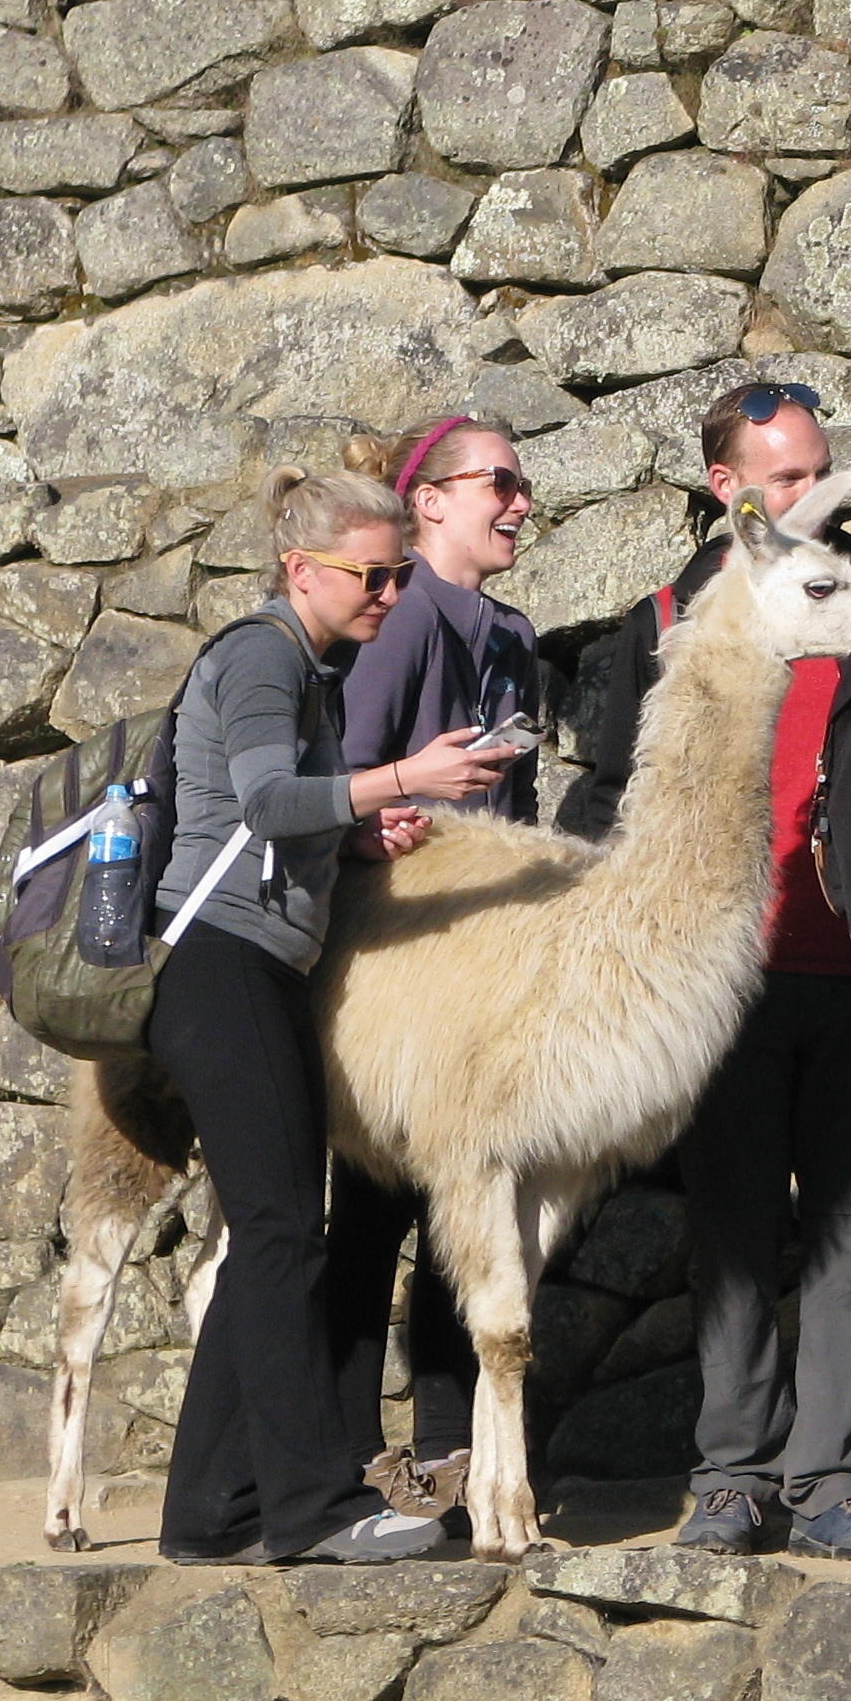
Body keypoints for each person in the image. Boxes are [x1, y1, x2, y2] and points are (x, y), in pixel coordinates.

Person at [574, 382, 851, 1563]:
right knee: (729, 1231)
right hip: (718, 982)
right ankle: (731, 1477)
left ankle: (834, 1483)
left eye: (819, 468)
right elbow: (602, 795)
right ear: (728, 493)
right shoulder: (664, 617)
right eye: (782, 478)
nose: (810, 492)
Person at [153, 465, 513, 1566]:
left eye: (399, 573)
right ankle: (312, 1505)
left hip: (252, 970)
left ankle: (212, 1512)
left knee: (273, 1233)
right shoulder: (265, 653)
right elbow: (262, 799)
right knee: (279, 1238)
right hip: (221, 970)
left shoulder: (308, 661)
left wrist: (352, 836)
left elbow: (261, 816)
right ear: (299, 569)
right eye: (371, 574)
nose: (391, 594)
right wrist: (403, 776)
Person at [319, 417, 542, 1533]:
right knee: (366, 1220)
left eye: (522, 483)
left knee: (476, 1211)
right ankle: (350, 1455)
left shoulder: (508, 634)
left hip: (485, 984)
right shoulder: (402, 622)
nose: (518, 501)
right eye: (498, 481)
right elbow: (340, 783)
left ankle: (453, 1462)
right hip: (396, 978)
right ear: (431, 501)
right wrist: (379, 828)